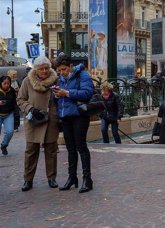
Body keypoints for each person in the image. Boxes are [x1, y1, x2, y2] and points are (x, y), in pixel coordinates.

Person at [17, 56, 60, 191]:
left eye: (46, 68)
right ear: (36, 69)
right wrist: (30, 109)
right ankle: (28, 180)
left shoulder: (56, 80)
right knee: (31, 151)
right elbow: (20, 99)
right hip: (33, 120)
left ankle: (51, 178)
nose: (44, 71)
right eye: (41, 69)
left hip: (51, 120)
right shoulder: (27, 81)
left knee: (51, 151)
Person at [53, 54, 95, 193]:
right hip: (66, 116)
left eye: (64, 69)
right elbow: (62, 96)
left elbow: (87, 93)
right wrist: (57, 95)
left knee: (81, 147)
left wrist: (67, 93)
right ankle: (72, 178)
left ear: (70, 66)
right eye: (59, 71)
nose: (62, 73)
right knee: (70, 149)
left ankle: (87, 179)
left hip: (79, 116)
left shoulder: (83, 75)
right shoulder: (61, 79)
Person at [0, 75, 19, 155]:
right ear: (1, 83)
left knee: (10, 131)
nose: (7, 85)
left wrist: (16, 114)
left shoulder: (12, 91)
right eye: (5, 83)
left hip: (8, 114)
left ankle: (4, 145)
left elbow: (15, 103)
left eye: (8, 83)